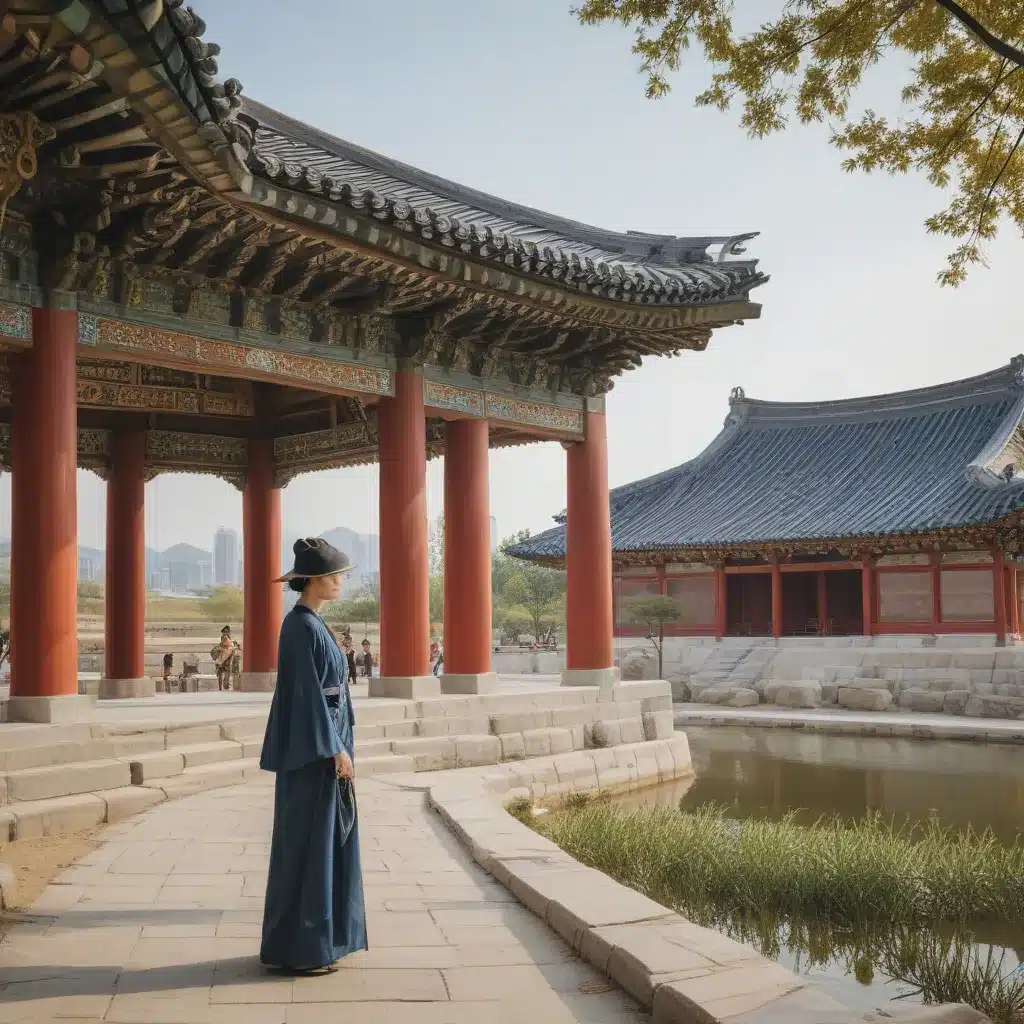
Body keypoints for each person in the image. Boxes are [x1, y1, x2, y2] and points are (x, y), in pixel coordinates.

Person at [259, 538, 366, 974]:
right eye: (337, 575)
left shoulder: (315, 624)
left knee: (328, 841)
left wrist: (343, 740)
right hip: (313, 751)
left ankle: (324, 943)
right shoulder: (299, 626)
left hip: (328, 740)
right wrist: (334, 748)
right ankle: (300, 949)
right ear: (317, 580)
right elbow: (304, 695)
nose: (342, 582)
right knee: (308, 844)